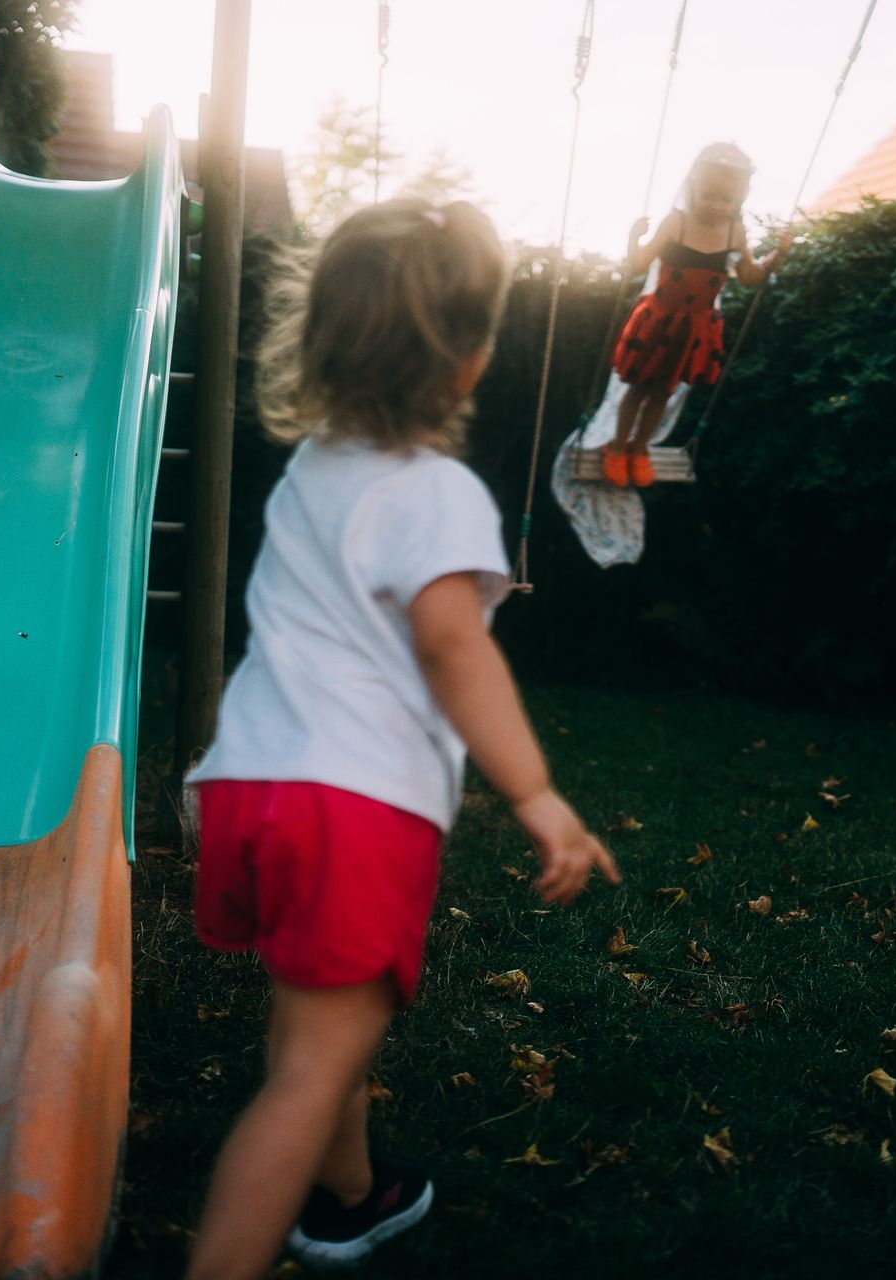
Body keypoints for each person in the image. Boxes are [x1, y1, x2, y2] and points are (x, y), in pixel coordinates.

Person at [182, 198, 621, 1280]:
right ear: (467, 364)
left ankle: (347, 1194)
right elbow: (452, 649)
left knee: (317, 1035)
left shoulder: (310, 475)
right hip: (351, 806)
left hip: (247, 788)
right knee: (303, 1073)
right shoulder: (437, 494)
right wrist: (536, 793)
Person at [603, 142, 794, 487]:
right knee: (638, 387)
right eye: (710, 196)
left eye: (727, 200)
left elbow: (750, 278)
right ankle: (617, 447)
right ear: (693, 190)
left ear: (739, 200)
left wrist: (777, 255)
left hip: (695, 325)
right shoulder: (676, 223)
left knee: (663, 391)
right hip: (659, 318)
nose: (717, 206)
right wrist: (634, 237)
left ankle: (639, 449)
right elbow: (637, 266)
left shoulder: (735, 231)